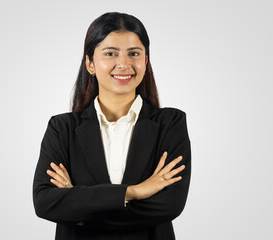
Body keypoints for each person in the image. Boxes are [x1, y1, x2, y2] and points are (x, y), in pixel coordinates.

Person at [33, 12, 191, 240]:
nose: (124, 64)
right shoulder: (62, 128)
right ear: (90, 64)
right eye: (110, 53)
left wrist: (79, 208)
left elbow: (169, 205)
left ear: (145, 61)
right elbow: (45, 202)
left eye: (134, 53)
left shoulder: (170, 124)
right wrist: (134, 192)